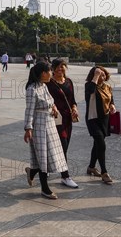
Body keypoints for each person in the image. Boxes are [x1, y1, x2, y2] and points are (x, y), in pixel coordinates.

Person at [23, 62, 69, 200]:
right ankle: (45, 188)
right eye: (49, 71)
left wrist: (53, 107)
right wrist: (28, 128)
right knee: (43, 157)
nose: (51, 73)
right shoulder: (32, 89)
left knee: (50, 156)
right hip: (39, 126)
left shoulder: (44, 86)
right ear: (43, 73)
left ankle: (32, 171)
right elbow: (29, 111)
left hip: (50, 123)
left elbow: (50, 101)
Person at [46, 59, 79, 188]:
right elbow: (46, 99)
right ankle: (65, 176)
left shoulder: (69, 82)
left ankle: (46, 165)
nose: (60, 69)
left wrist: (75, 108)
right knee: (63, 146)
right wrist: (52, 106)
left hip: (67, 119)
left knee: (64, 145)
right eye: (57, 67)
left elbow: (73, 100)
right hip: (55, 118)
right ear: (53, 69)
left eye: (63, 66)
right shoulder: (49, 82)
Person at [85, 66, 116, 184]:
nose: (101, 77)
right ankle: (104, 172)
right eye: (98, 75)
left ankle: (91, 167)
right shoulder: (89, 85)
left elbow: (111, 99)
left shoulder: (107, 87)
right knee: (101, 144)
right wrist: (95, 76)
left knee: (97, 143)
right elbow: (90, 93)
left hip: (104, 119)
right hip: (93, 119)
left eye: (103, 75)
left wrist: (112, 105)